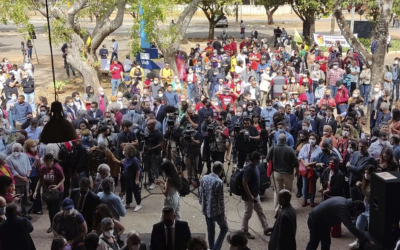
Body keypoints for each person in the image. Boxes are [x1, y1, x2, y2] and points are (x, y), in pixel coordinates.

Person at [306, 197, 373, 250]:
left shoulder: (344, 201)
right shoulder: (342, 208)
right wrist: (365, 240)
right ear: (355, 208)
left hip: (324, 222)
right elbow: (350, 227)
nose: (357, 215)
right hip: (315, 221)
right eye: (358, 213)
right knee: (314, 242)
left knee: (326, 242)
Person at [241, 151, 272, 239]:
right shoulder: (249, 168)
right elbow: (244, 182)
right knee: (247, 214)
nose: (259, 162)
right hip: (250, 196)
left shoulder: (255, 167)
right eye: (258, 160)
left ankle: (266, 227)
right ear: (254, 160)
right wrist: (250, 195)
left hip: (255, 195)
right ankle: (244, 231)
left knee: (260, 211)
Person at [199, 161, 228, 250]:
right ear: (221, 170)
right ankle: (215, 248)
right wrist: (223, 215)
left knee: (210, 230)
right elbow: (221, 201)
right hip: (216, 211)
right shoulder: (218, 182)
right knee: (224, 228)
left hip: (206, 209)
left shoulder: (204, 178)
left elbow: (201, 194)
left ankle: (211, 247)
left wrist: (202, 204)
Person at [267, 133, 299, 213]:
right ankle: (286, 208)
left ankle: (277, 209)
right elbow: (296, 162)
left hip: (277, 173)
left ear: (278, 139)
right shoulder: (290, 149)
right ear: (286, 140)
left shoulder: (273, 148)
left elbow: (267, 159)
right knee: (288, 191)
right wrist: (297, 171)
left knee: (277, 192)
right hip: (288, 173)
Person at [34, 153, 65, 233]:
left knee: (57, 209)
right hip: (48, 191)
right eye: (45, 162)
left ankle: (59, 226)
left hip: (58, 191)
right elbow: (40, 180)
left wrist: (57, 186)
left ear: (51, 161)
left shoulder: (57, 168)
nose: (46, 164)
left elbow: (63, 178)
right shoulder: (43, 168)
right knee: (50, 209)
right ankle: (52, 225)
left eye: (47, 162)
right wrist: (36, 190)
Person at [6, 142, 32, 219]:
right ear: (12, 150)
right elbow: (13, 171)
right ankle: (15, 214)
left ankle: (25, 213)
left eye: (17, 150)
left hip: (26, 180)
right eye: (14, 150)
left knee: (25, 198)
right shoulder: (9, 159)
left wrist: (27, 177)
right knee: (16, 199)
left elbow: (29, 167)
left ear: (21, 150)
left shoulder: (25, 156)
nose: (16, 152)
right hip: (17, 182)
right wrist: (22, 178)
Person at [298, 133, 322, 207]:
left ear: (316, 140)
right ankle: (304, 199)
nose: (311, 140)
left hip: (313, 168)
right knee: (305, 185)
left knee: (313, 184)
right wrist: (305, 163)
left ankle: (312, 200)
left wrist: (309, 164)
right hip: (305, 168)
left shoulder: (319, 149)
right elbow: (300, 156)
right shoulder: (305, 146)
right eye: (310, 138)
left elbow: (319, 159)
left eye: (313, 139)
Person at [122, 144, 142, 212]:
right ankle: (128, 203)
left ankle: (138, 204)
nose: (123, 151)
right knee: (128, 190)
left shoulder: (134, 160)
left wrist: (137, 180)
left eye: (124, 150)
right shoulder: (126, 158)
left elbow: (138, 170)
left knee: (135, 190)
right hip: (127, 176)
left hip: (133, 177)